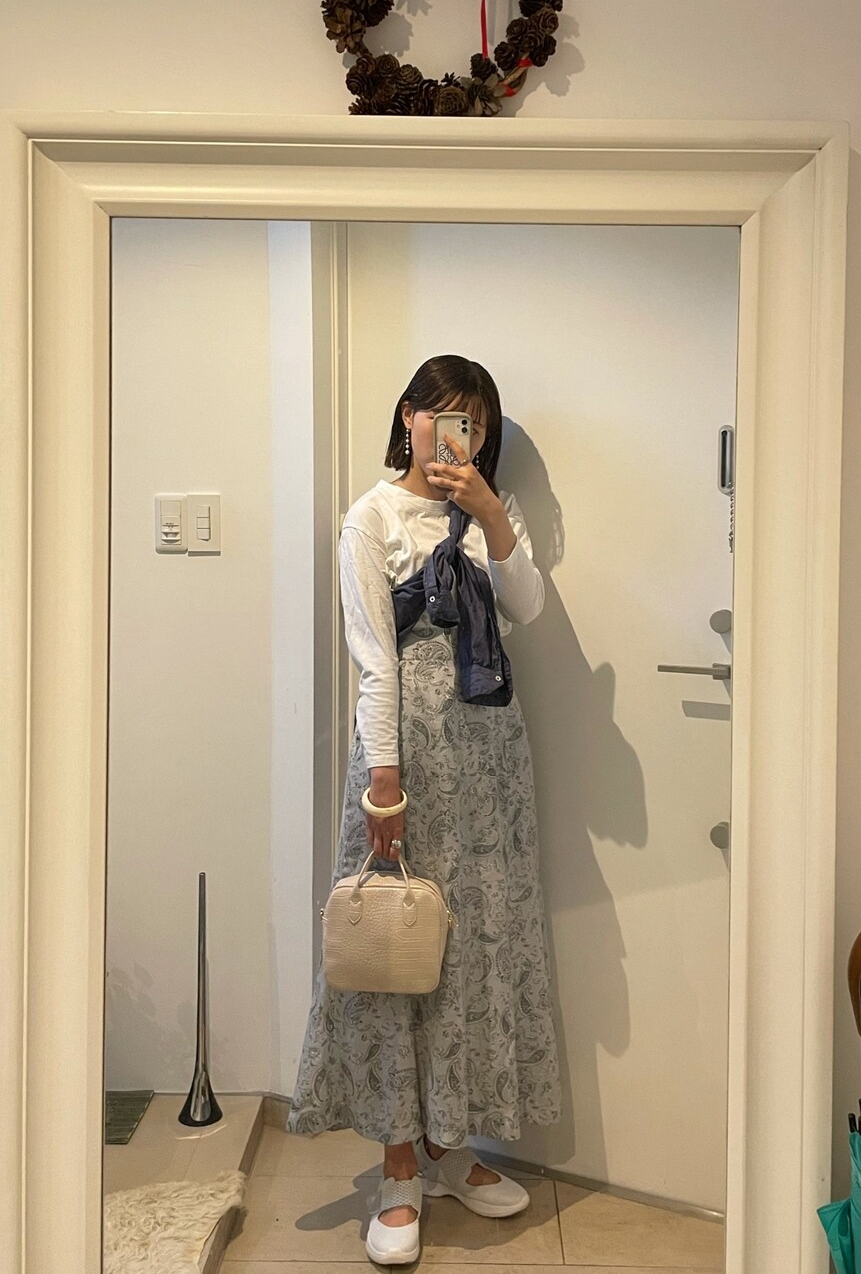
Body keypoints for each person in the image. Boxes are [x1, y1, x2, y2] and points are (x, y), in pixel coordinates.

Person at [287, 354, 562, 1265]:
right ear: (408, 417)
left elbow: (528, 609)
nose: (457, 436)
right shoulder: (369, 519)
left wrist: (490, 514)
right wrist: (384, 784)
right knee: (398, 952)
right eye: (443, 417)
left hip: (490, 765)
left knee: (475, 949)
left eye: (473, 424)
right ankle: (399, 1168)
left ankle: (449, 1151)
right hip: (408, 761)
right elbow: (374, 660)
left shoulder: (493, 514)